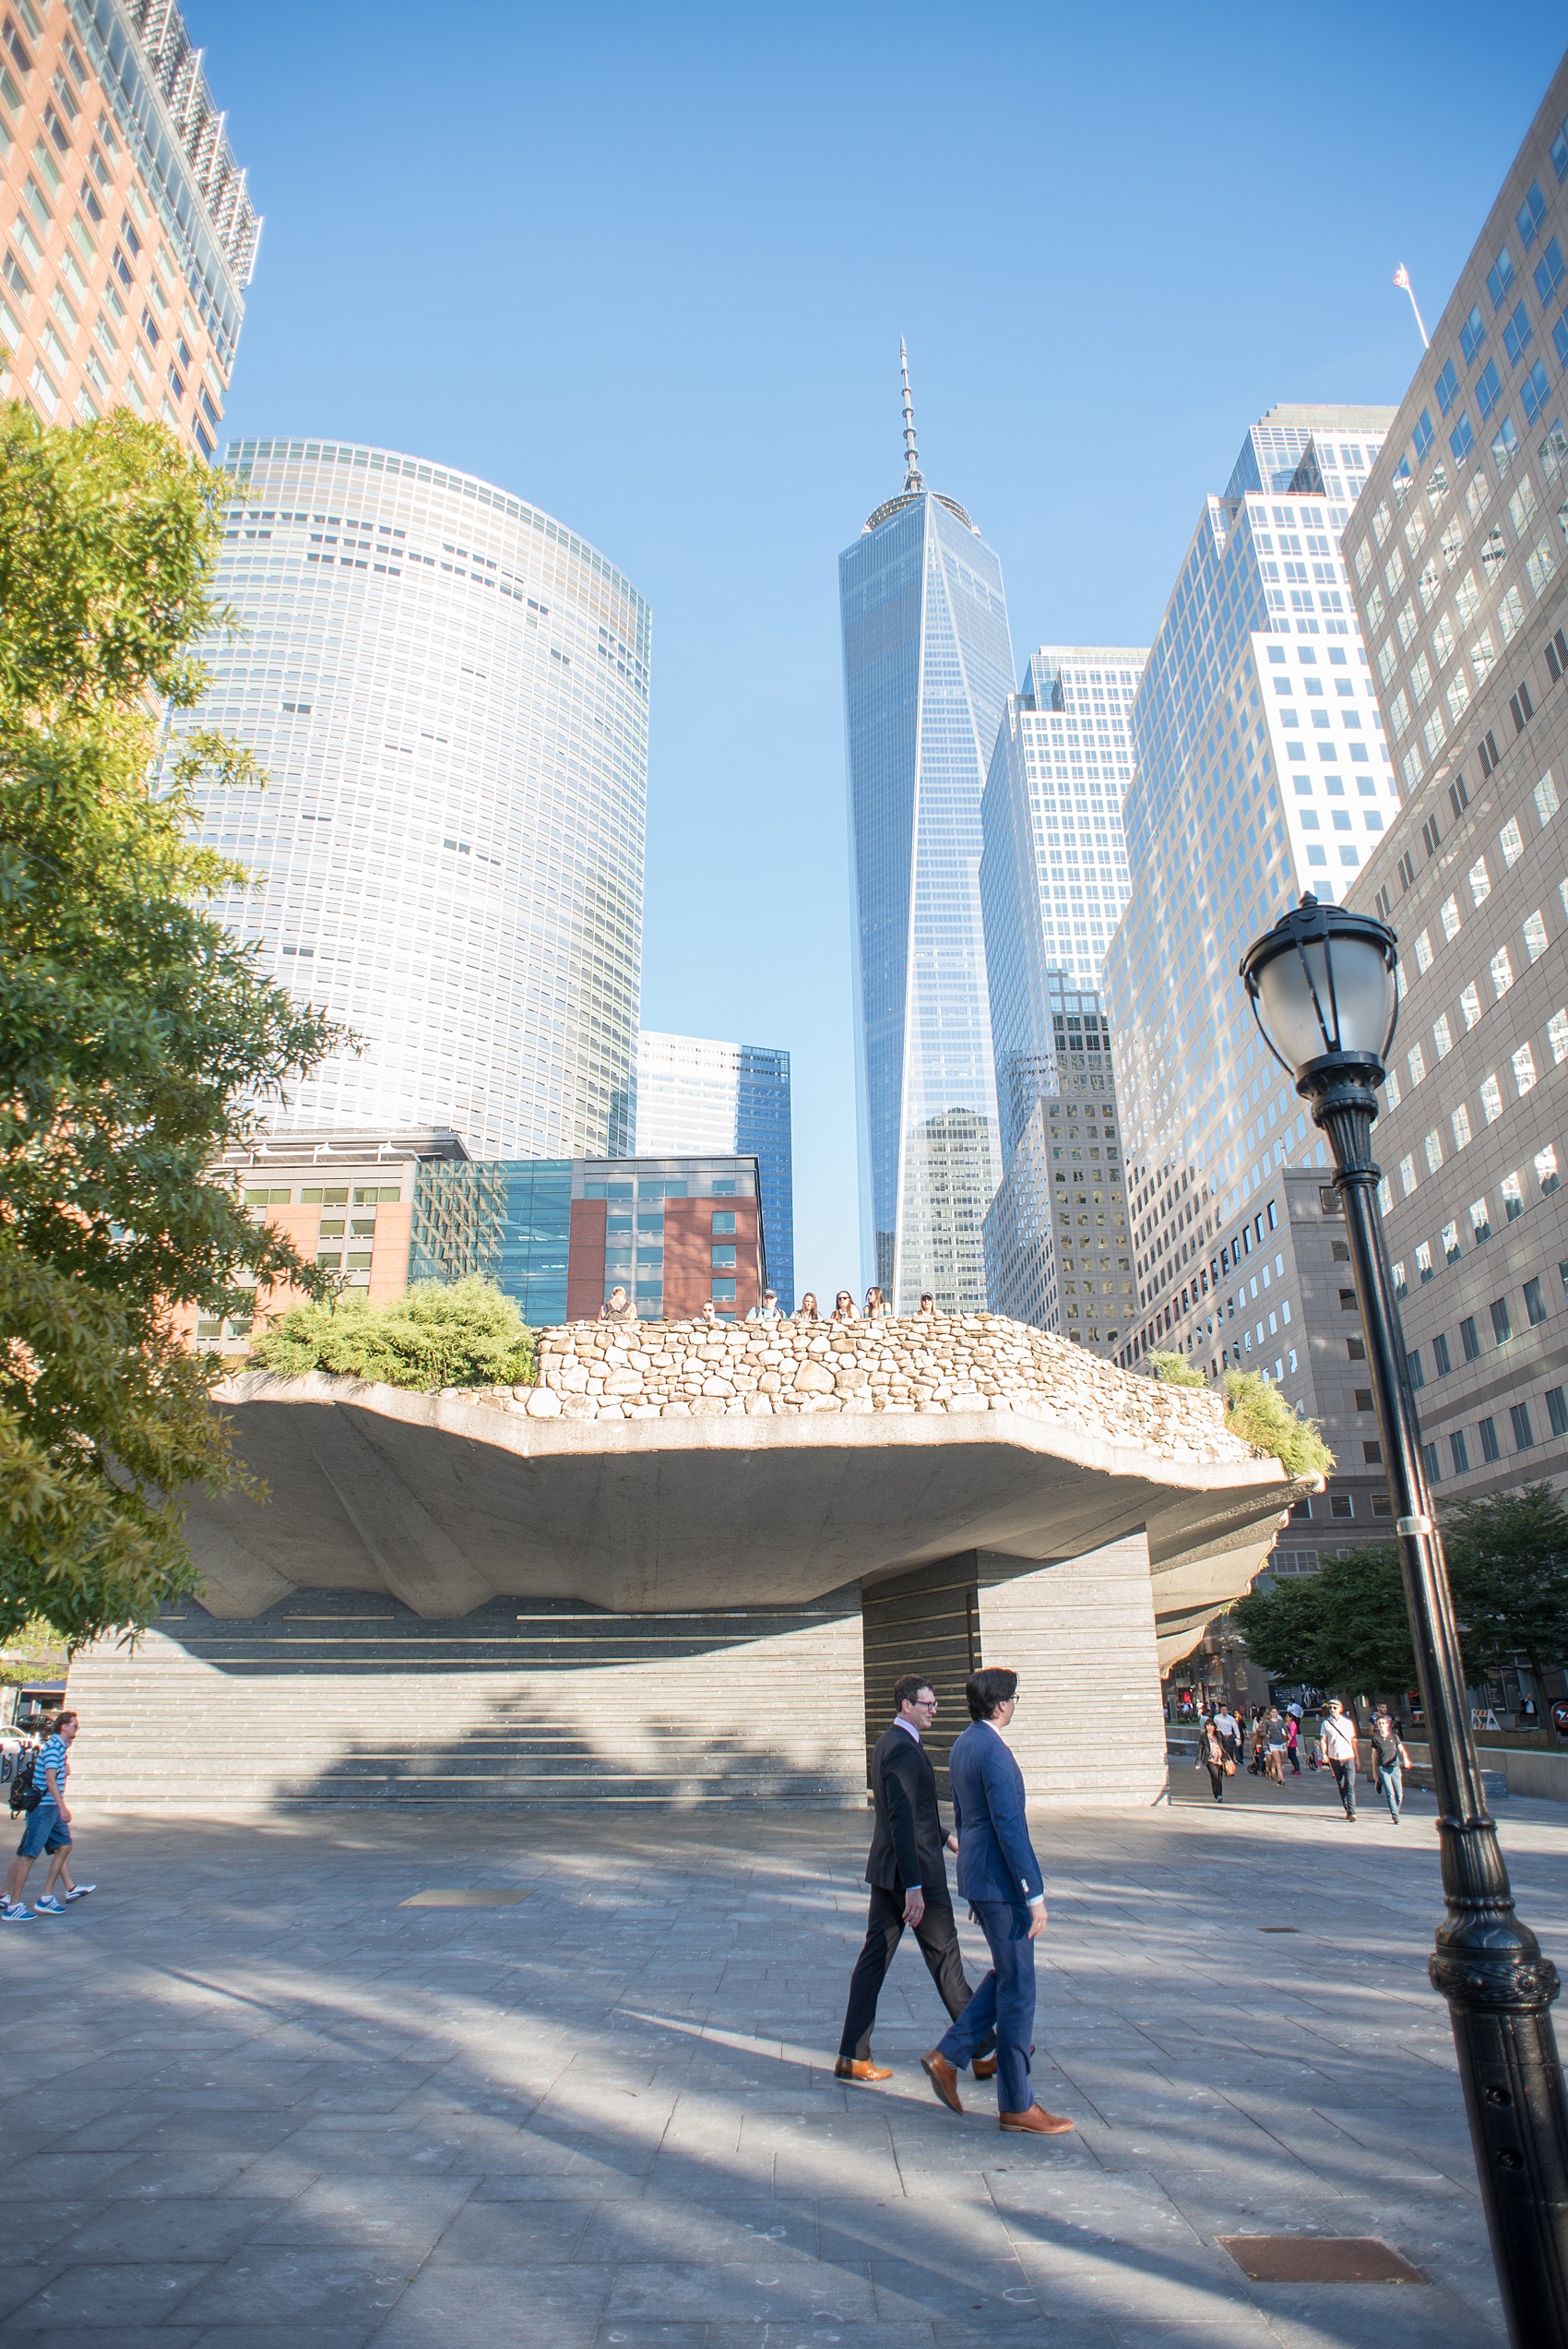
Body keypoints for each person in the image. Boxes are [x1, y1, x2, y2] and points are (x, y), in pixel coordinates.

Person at [921, 1668, 1074, 2137]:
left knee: (1007, 1976)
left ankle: (950, 2055)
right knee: (1020, 1988)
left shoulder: (964, 1744)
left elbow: (965, 1819)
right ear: (1002, 1704)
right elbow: (1010, 1829)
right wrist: (1035, 1895)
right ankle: (1016, 2103)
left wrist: (973, 1885)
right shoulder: (996, 1753)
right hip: (1003, 1887)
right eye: (1014, 1699)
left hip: (982, 1881)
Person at [836, 1676, 995, 2085]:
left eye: (935, 1703)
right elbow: (902, 1818)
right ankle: (985, 2050)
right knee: (946, 1960)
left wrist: (945, 1837)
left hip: (889, 1870)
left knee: (873, 1962)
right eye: (927, 1703)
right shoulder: (904, 1749)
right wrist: (914, 1887)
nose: (934, 1710)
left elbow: (910, 1810)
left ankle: (852, 2057)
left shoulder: (889, 1742)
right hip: (915, 1876)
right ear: (906, 1705)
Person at [1, 1713, 91, 1921]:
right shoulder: (53, 1749)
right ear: (63, 1727)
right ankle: (13, 1906)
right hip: (45, 1808)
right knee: (28, 1855)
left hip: (50, 1809)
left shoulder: (59, 1749)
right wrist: (63, 1808)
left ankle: (46, 1897)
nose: (76, 1729)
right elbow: (50, 1781)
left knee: (64, 1847)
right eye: (74, 1726)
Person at [1370, 1709, 1411, 1823]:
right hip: (1383, 1767)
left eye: (1383, 1723)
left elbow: (1401, 1750)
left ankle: (1396, 1810)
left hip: (1394, 1767)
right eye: (1379, 1724)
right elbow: (1374, 1755)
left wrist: (1406, 1759)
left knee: (1399, 1794)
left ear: (1387, 1725)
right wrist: (1374, 1771)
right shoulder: (1376, 1739)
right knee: (1390, 1792)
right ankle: (1395, 1815)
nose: (1382, 1725)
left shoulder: (1394, 1737)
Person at [1320, 1698, 1359, 1819]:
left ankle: (1352, 1811)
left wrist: (1357, 1757)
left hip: (1348, 1756)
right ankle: (1347, 1807)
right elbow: (1323, 1739)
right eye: (1330, 1708)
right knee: (1341, 1784)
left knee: (1350, 1785)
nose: (1332, 1710)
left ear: (1340, 1709)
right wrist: (1324, 1753)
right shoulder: (1326, 1723)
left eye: (1335, 1708)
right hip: (1334, 1757)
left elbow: (1353, 1740)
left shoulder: (1347, 1723)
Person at [1197, 1712, 1229, 1803]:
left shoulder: (1218, 1734)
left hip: (1219, 1758)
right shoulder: (1203, 1736)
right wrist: (1198, 1763)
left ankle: (1219, 1793)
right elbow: (1200, 1749)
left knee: (1219, 1777)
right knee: (1215, 1776)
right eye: (1208, 1725)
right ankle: (1217, 1794)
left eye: (1211, 1725)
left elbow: (1224, 1746)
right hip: (1210, 1759)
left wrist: (1225, 1757)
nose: (1210, 1727)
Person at [1264, 1709, 1288, 1785]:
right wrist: (1267, 1735)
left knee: (1281, 1761)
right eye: (1272, 1712)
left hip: (1281, 1742)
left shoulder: (1280, 1721)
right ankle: (1281, 1778)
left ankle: (1279, 1779)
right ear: (1270, 1713)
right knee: (1278, 1761)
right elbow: (1265, 1731)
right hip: (1273, 1744)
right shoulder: (1268, 1722)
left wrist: (1289, 1735)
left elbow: (1285, 1729)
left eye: (1275, 1712)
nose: (1274, 1714)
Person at [1285, 1711, 1301, 1776]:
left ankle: (1297, 1769)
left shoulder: (1293, 1724)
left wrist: (1289, 1741)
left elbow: (1292, 1733)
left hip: (1292, 1742)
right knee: (1290, 1755)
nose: (1286, 1718)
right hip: (1289, 1741)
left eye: (1287, 1716)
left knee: (1293, 1756)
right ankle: (1295, 1768)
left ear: (1291, 1718)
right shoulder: (1289, 1723)